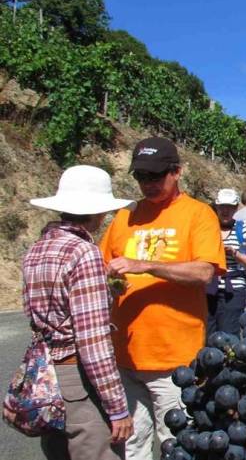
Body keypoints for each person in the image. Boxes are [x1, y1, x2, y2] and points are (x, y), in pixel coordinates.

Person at [100, 136, 226, 460]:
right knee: (130, 447)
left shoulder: (198, 215)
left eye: (156, 176)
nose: (148, 184)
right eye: (141, 177)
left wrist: (146, 265)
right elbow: (100, 268)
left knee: (177, 446)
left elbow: (203, 272)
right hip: (124, 359)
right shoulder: (124, 217)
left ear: (177, 172)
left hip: (175, 362)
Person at [22, 165, 134, 460]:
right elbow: (93, 340)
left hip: (47, 376)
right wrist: (117, 407)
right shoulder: (84, 253)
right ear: (99, 213)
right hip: (77, 379)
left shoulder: (37, 249)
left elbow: (49, 311)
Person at [207, 188, 246, 333]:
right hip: (208, 289)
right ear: (216, 207)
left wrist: (234, 253)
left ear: (236, 208)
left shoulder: (243, 230)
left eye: (229, 207)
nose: (225, 211)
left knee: (229, 335)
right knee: (207, 335)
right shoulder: (207, 228)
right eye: (222, 206)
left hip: (234, 292)